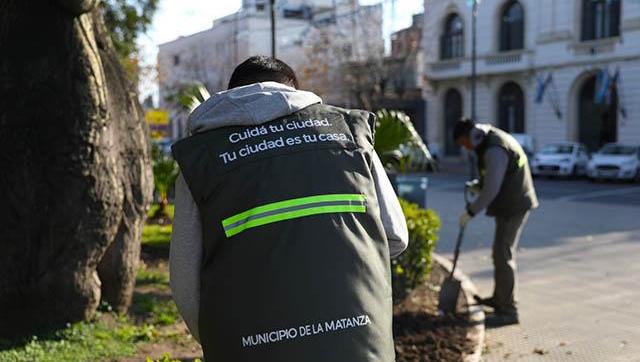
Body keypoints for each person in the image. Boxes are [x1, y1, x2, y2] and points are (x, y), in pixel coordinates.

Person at [169, 56, 408, 361]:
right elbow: (396, 236)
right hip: (358, 341)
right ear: (295, 93)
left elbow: (185, 284)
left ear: (228, 97)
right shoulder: (348, 134)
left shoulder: (200, 160)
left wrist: (221, 340)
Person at [453, 118, 538, 327]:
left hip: (514, 205)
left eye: (463, 144)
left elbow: (492, 189)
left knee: (503, 255)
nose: (465, 148)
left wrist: (471, 211)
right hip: (510, 202)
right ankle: (500, 299)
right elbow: (494, 177)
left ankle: (509, 311)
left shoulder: (493, 149)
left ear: (470, 136)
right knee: (499, 253)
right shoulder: (489, 140)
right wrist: (478, 185)